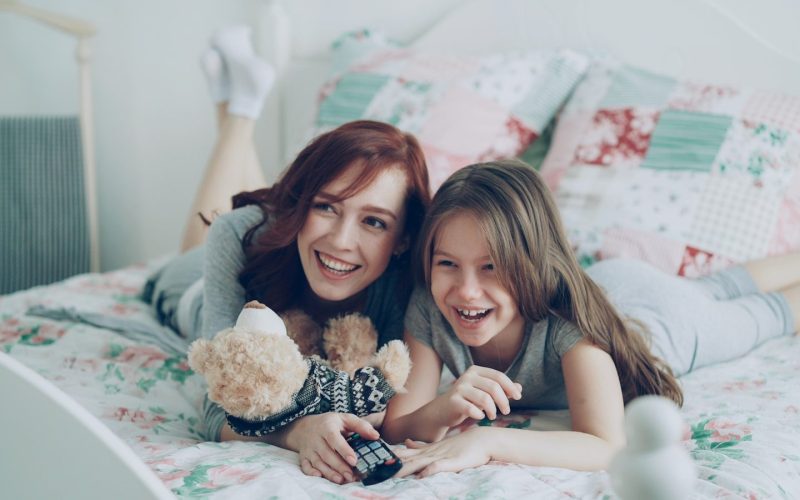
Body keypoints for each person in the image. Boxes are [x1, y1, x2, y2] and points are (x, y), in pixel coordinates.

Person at [142, 25, 432, 484]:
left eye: (373, 221)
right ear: (305, 203)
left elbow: (395, 408)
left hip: (281, 231)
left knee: (267, 215)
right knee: (221, 225)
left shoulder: (409, 282)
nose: (341, 240)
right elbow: (216, 403)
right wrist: (298, 431)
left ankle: (234, 98)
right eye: (326, 206)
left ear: (402, 239)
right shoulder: (239, 236)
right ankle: (239, 114)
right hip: (189, 285)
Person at [381, 159, 799, 474]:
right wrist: (444, 407)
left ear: (533, 264)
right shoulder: (430, 304)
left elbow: (607, 445)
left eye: (490, 266)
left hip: (668, 319)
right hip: (613, 282)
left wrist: (488, 441)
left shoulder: (569, 322)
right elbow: (398, 427)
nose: (466, 290)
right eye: (447, 263)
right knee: (717, 285)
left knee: (770, 313)